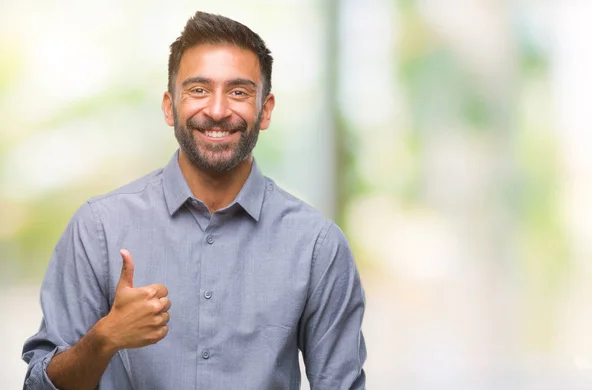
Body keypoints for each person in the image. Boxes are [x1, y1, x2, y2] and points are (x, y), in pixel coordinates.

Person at [22, 11, 366, 390]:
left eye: (239, 92)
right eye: (199, 90)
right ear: (170, 106)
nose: (217, 111)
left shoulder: (318, 245)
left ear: (264, 110)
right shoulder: (98, 228)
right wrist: (104, 339)